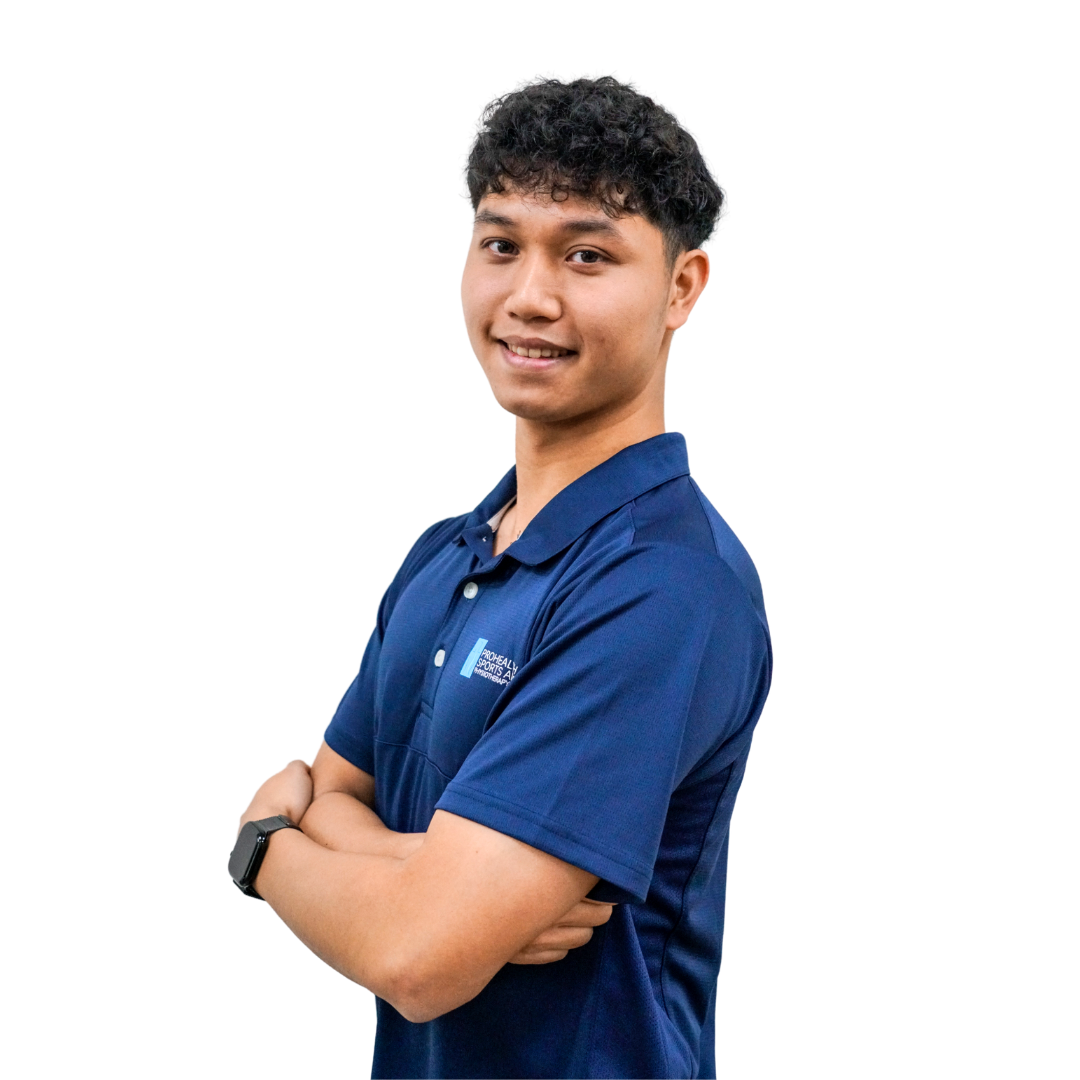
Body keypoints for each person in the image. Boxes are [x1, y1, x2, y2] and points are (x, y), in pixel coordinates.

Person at [230, 76, 772, 1080]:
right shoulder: (450, 554)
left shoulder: (662, 588)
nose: (529, 295)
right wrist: (418, 871)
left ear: (682, 287)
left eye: (587, 254)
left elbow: (416, 955)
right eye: (500, 244)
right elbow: (335, 801)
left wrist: (262, 852)